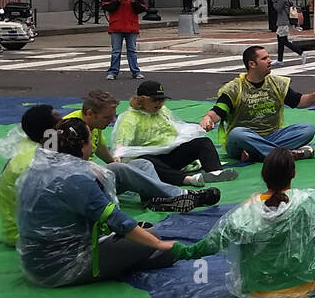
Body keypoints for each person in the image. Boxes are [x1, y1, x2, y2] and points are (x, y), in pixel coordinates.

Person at [170, 148, 315, 298]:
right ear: (294, 173)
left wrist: (183, 251)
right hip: (303, 286)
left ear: (263, 175)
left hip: (258, 289)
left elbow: (213, 242)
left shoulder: (247, 210)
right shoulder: (305, 202)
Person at [15, 117, 177, 287]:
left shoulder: (39, 167)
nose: (93, 145)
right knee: (154, 239)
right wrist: (159, 244)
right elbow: (117, 221)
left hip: (32, 259)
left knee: (141, 232)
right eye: (91, 140)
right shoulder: (75, 178)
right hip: (61, 266)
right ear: (83, 146)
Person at [64, 90, 220, 213]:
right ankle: (180, 194)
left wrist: (116, 163)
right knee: (125, 166)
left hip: (97, 178)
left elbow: (101, 149)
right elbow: (56, 162)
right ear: (90, 113)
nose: (112, 121)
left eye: (112, 117)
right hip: (81, 185)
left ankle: (154, 200)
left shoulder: (95, 126)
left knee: (142, 164)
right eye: (107, 118)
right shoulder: (69, 126)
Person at [198, 46, 315, 163]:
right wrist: (207, 118)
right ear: (252, 64)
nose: (269, 61)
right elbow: (218, 110)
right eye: (264, 58)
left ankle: (258, 154)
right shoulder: (234, 88)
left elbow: (299, 101)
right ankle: (282, 154)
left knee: (307, 129)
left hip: (273, 136)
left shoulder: (277, 83)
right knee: (237, 133)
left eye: (268, 57)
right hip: (243, 141)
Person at [112, 80, 241, 186]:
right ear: (140, 100)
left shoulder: (163, 111)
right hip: (152, 160)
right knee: (146, 162)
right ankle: (186, 179)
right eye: (154, 100)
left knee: (203, 142)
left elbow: (178, 128)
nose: (159, 104)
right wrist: (118, 154)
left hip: (170, 155)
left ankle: (215, 172)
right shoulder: (130, 118)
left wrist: (196, 131)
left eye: (161, 100)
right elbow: (122, 140)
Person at [0, 104, 61, 247]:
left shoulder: (32, 145)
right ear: (49, 133)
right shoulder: (37, 163)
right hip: (26, 235)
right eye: (60, 126)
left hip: (21, 229)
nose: (65, 130)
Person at [102, 0, 148, 80]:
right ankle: (113, 72)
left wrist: (133, 1)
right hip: (117, 26)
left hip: (130, 26)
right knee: (116, 51)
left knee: (131, 50)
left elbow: (142, 8)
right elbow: (106, 6)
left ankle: (135, 72)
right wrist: (117, 1)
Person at [270, 0, 306, 67]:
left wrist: (274, 0)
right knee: (281, 40)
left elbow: (278, 8)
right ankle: (280, 59)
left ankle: (301, 53)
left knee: (283, 40)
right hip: (287, 20)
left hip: (283, 21)